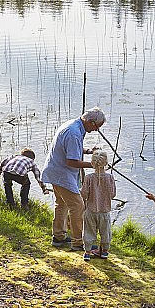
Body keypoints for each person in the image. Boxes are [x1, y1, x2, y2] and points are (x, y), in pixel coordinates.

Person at [41, 107, 106, 251]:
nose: (96, 130)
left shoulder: (73, 125)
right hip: (61, 173)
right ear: (90, 121)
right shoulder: (74, 133)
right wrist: (94, 164)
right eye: (97, 126)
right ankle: (78, 243)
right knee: (77, 206)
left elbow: (72, 147)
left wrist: (88, 151)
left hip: (54, 170)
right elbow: (72, 161)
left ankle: (58, 237)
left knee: (61, 204)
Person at [81, 150, 116, 261]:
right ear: (106, 163)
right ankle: (104, 251)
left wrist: (80, 191)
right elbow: (113, 195)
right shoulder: (110, 177)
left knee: (89, 231)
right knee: (105, 232)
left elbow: (84, 194)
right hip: (104, 212)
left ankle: (87, 252)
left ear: (92, 163)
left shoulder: (89, 177)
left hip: (90, 210)